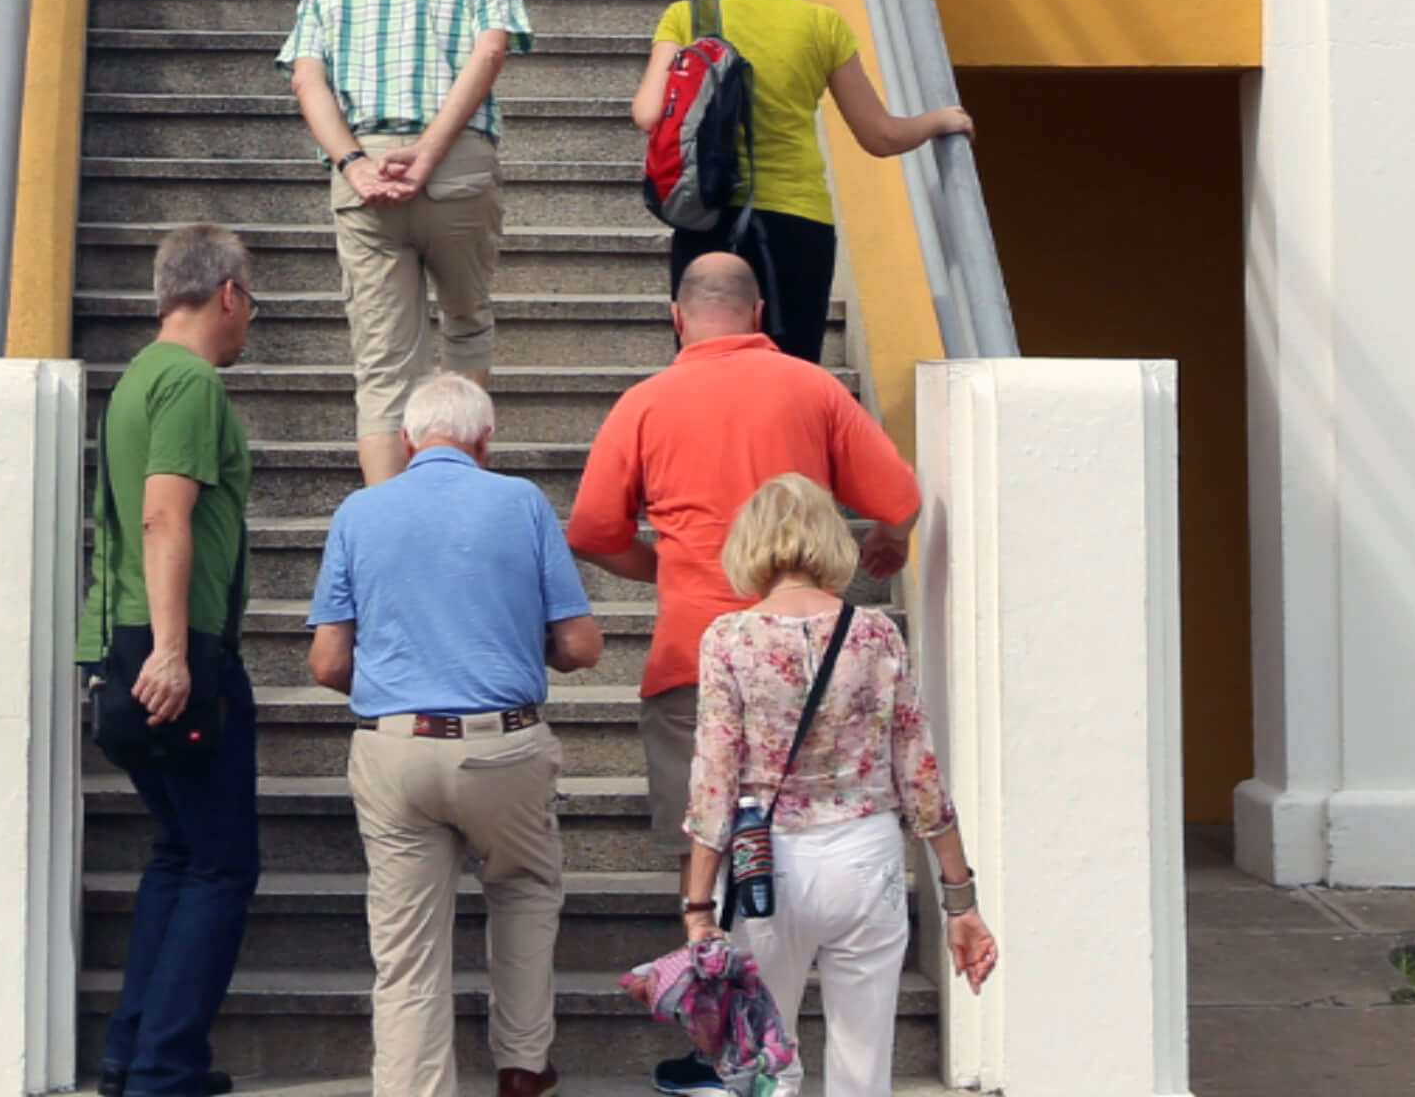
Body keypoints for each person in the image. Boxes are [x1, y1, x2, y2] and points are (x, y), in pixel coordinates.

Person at [566, 255, 919, 860]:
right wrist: (889, 537)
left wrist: (669, 568)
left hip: (693, 654)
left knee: (705, 853)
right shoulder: (814, 387)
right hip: (808, 655)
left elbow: (593, 533)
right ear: (758, 314)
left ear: (677, 318)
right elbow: (900, 497)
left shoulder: (644, 404)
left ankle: (711, 946)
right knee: (814, 843)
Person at [306, 368, 597, 1097]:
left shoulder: (359, 513)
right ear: (485, 440)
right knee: (526, 890)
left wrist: (392, 685)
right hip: (504, 746)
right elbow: (583, 646)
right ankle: (524, 1066)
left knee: (406, 951)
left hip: (396, 746)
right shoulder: (523, 503)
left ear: (406, 441)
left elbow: (326, 662)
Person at [675, 474, 993, 1097]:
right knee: (863, 1058)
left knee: (765, 1059)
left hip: (767, 864)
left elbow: (713, 782)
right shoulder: (875, 634)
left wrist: (697, 907)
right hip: (864, 854)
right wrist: (962, 900)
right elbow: (919, 771)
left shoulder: (729, 639)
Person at [627, 0, 969, 367]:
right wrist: (941, 120)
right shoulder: (821, 24)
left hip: (707, 214)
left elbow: (647, 113)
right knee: (790, 369)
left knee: (707, 368)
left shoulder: (688, 17)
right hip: (796, 222)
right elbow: (881, 137)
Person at [283, 0, 532, 482]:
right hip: (458, 168)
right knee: (467, 328)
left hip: (364, 171)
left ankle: (390, 524)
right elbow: (490, 54)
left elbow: (306, 80)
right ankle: (459, 493)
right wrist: (430, 150)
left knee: (384, 364)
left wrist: (353, 164)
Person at [87, 220, 263, 1097]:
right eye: (250, 302)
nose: (250, 320)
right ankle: (163, 1069)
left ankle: (132, 1055)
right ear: (226, 293)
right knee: (224, 863)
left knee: (180, 852)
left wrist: (118, 653)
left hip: (123, 641)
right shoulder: (190, 381)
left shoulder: (136, 381)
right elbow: (163, 515)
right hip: (176, 648)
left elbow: (125, 525)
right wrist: (170, 653)